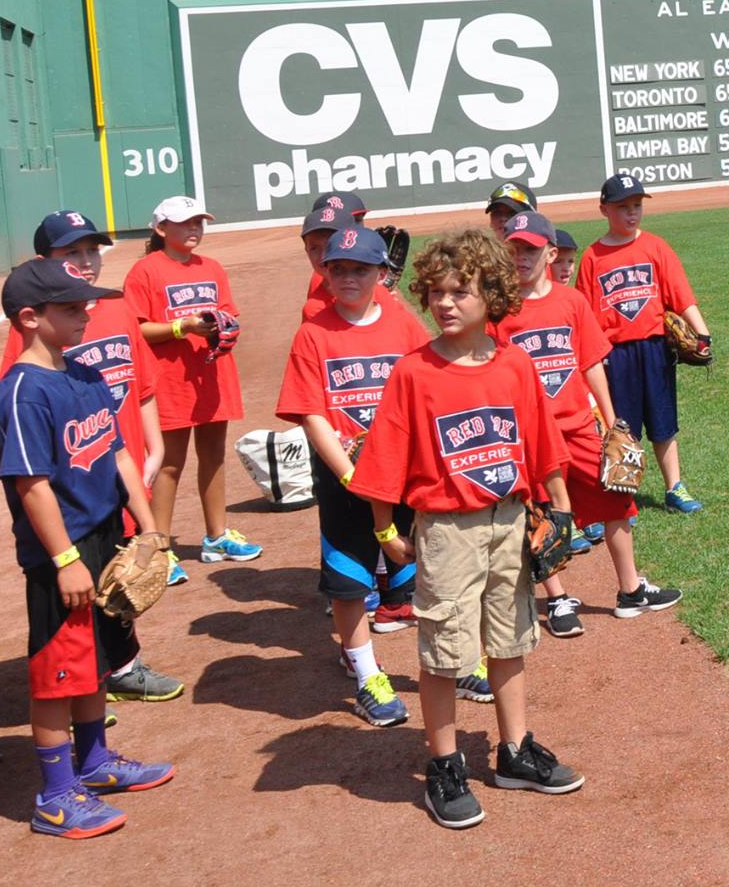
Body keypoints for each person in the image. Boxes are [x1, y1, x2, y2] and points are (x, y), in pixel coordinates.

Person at [346, 229, 583, 829]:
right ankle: (445, 764)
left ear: (494, 295)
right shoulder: (413, 373)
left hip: (508, 521)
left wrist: (558, 509)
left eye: (462, 290)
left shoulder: (514, 365)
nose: (446, 302)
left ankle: (514, 749)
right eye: (436, 292)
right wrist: (383, 534)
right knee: (445, 652)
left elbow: (541, 446)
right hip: (446, 528)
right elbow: (383, 462)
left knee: (511, 638)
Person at [0, 258, 175, 839]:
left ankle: (94, 763)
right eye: (71, 308)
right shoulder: (22, 392)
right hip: (63, 554)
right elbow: (31, 485)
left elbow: (120, 454)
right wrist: (66, 560)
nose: (87, 313)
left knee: (96, 661)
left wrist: (148, 528)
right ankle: (53, 796)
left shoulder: (85, 373)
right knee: (58, 675)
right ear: (30, 317)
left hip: (106, 537)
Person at [0, 212, 184, 699]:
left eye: (91, 251)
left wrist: (155, 444)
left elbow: (140, 383)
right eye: (70, 254)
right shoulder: (37, 333)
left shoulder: (116, 309)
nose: (84, 262)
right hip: (74, 476)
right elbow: (21, 422)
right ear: (45, 264)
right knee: (84, 583)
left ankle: (118, 667)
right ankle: (88, 682)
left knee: (119, 575)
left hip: (115, 460)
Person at [495, 211, 681, 637]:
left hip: (578, 425)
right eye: (513, 249)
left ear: (551, 252)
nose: (521, 256)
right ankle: (558, 598)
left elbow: (592, 363)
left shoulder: (571, 302)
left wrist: (613, 421)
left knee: (618, 499)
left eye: (530, 249)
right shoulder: (499, 310)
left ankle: (630, 591)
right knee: (540, 515)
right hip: (530, 437)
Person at [275, 225, 433, 725]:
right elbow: (311, 411)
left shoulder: (404, 324)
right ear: (324, 272)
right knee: (348, 577)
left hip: (403, 469)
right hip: (343, 474)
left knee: (429, 561)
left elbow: (428, 387)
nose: (346, 277)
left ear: (381, 274)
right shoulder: (314, 331)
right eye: (337, 268)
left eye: (359, 269)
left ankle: (455, 658)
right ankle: (367, 675)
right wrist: (347, 474)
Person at [120, 196, 260, 576]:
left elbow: (229, 312)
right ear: (161, 229)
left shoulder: (212, 267)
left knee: (213, 456)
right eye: (185, 223)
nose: (194, 228)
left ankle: (216, 536)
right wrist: (183, 326)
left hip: (212, 376)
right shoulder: (145, 272)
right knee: (169, 463)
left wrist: (225, 328)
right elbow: (137, 329)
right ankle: (159, 547)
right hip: (170, 380)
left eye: (199, 221)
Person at [574, 174, 710, 514]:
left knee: (663, 423)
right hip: (614, 355)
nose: (632, 213)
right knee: (622, 428)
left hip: (654, 350)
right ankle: (623, 497)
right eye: (622, 207)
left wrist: (702, 333)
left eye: (636, 206)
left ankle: (674, 487)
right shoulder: (592, 257)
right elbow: (584, 315)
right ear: (604, 209)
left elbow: (680, 294)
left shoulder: (656, 246)